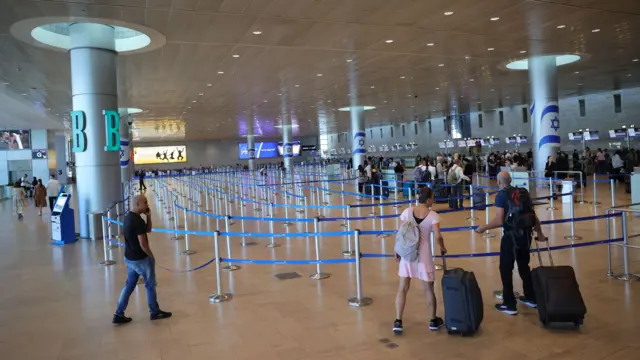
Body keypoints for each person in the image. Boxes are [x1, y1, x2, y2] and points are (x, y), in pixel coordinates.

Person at [474, 171, 547, 315]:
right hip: (526, 235)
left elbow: (500, 220)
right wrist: (540, 233)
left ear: (498, 182)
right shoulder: (522, 193)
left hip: (510, 237)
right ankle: (531, 297)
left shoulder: (501, 196)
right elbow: (533, 215)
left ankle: (509, 304)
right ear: (511, 180)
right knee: (523, 266)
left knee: (505, 268)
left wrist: (484, 227)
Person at [393, 187, 447, 333]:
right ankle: (433, 320)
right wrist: (442, 247)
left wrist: (397, 251)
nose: (434, 200)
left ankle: (398, 321)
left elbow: (401, 234)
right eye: (433, 197)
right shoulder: (433, 215)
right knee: (428, 289)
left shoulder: (407, 212)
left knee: (403, 287)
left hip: (408, 254)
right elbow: (438, 236)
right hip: (424, 256)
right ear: (428, 199)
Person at [113, 195, 171, 324]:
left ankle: (118, 313)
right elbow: (143, 244)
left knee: (129, 285)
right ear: (137, 204)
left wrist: (149, 216)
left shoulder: (130, 217)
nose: (147, 204)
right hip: (140, 259)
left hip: (130, 258)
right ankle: (154, 312)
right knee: (150, 285)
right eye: (144, 202)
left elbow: (148, 230)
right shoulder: (137, 221)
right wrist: (151, 256)